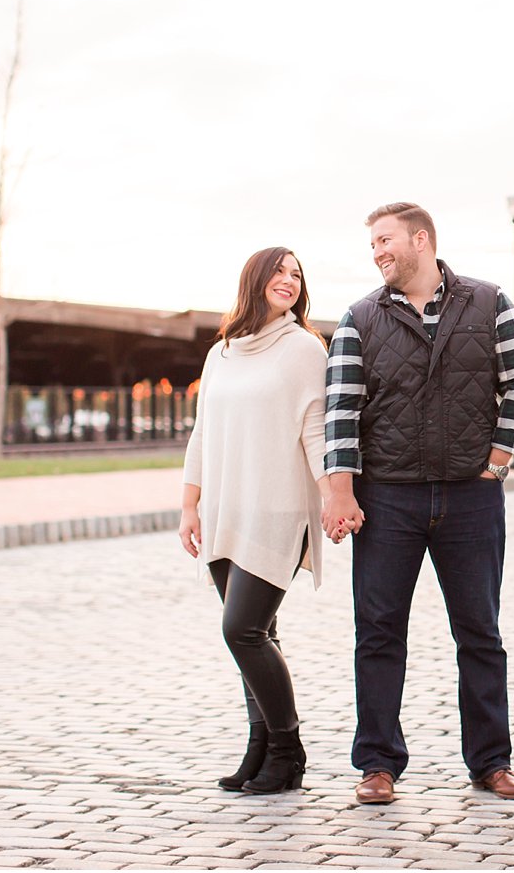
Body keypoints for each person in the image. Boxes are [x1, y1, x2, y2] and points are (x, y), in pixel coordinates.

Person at [321, 202, 514, 806]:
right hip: (388, 497)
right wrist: (342, 488)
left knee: (480, 633)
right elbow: (341, 408)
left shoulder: (489, 302)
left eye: (386, 240)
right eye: (372, 245)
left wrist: (499, 459)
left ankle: (492, 763)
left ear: (422, 239)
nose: (378, 252)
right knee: (380, 631)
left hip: (471, 497)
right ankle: (378, 765)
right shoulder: (359, 318)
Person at [177, 246, 334, 795]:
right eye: (280, 271)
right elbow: (202, 432)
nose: (289, 281)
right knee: (259, 633)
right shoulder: (221, 352)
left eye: (297, 275)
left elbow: (317, 431)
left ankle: (288, 752)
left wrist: (335, 497)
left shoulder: (303, 350)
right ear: (255, 279)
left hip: (278, 509)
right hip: (224, 508)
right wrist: (189, 504)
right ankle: (260, 748)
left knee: (241, 629)